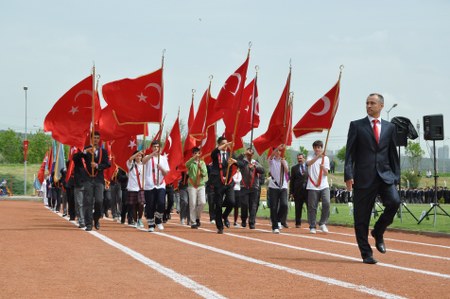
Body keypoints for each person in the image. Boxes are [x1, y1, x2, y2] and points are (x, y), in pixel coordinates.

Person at [344, 93, 400, 265]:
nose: (369, 106)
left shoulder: (390, 127)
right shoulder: (356, 126)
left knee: (394, 202)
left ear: (381, 106)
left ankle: (378, 231)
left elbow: (392, 153)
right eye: (367, 103)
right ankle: (366, 253)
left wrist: (396, 176)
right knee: (361, 217)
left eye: (372, 103)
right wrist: (348, 175)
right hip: (363, 177)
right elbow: (349, 154)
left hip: (385, 175)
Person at [73, 131, 110, 231]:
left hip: (99, 180)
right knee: (88, 202)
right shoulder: (86, 150)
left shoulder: (103, 151)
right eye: (94, 138)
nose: (96, 140)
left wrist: (98, 166)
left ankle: (96, 218)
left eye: (98, 138)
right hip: (88, 179)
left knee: (99, 201)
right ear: (91, 139)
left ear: (99, 139)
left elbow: (108, 164)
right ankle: (89, 224)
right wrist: (85, 152)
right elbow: (75, 158)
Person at [210, 136, 237, 234]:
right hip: (218, 182)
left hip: (229, 182)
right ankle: (220, 226)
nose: (226, 146)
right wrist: (226, 144)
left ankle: (225, 216)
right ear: (219, 144)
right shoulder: (216, 154)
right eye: (223, 144)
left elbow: (238, 164)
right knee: (218, 205)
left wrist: (234, 161)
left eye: (227, 143)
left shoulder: (230, 154)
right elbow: (214, 152)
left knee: (232, 202)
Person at [142, 140, 169, 232]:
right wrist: (151, 155)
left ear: (160, 148)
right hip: (150, 185)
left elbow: (166, 173)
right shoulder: (148, 157)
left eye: (157, 147)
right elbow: (143, 161)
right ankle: (150, 224)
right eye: (154, 147)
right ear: (152, 148)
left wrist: (161, 168)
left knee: (161, 203)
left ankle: (158, 219)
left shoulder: (163, 158)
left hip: (160, 184)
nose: (156, 148)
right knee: (150, 205)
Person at [236, 148, 265, 229]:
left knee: (253, 206)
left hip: (254, 187)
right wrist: (243, 153)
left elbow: (263, 170)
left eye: (251, 154)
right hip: (244, 187)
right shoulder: (243, 162)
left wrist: (255, 167)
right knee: (244, 204)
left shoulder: (255, 162)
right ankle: (244, 220)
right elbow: (237, 161)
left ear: (253, 155)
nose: (249, 155)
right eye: (248, 154)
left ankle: (252, 222)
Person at [306, 140, 331, 234]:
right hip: (312, 186)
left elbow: (326, 173)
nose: (317, 149)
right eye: (316, 147)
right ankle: (312, 226)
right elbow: (308, 164)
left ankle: (322, 223)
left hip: (324, 185)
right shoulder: (310, 156)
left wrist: (323, 168)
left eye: (319, 147)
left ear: (322, 148)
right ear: (313, 148)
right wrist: (317, 157)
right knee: (312, 207)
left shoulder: (326, 159)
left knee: (327, 203)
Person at [267, 144, 289, 234]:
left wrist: (284, 164)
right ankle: (275, 226)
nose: (277, 153)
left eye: (279, 151)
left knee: (284, 205)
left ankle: (279, 220)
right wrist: (276, 147)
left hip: (283, 186)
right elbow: (271, 156)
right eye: (276, 151)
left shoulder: (284, 161)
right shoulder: (271, 160)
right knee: (274, 207)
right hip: (273, 187)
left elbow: (287, 172)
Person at [185, 147, 208, 229]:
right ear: (192, 154)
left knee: (202, 202)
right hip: (192, 185)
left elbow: (205, 173)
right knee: (193, 203)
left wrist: (200, 167)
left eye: (198, 153)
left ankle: (197, 217)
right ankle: (193, 221)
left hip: (201, 185)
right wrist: (193, 158)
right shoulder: (191, 163)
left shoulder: (202, 163)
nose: (197, 155)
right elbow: (186, 164)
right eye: (195, 153)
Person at [126, 151, 145, 228]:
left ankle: (140, 219)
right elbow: (130, 159)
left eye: (140, 156)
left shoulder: (144, 165)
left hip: (141, 188)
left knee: (141, 204)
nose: (138, 157)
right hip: (133, 188)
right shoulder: (131, 165)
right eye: (137, 156)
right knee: (134, 206)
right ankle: (135, 220)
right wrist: (137, 153)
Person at [289, 153, 308, 228]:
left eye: (301, 158)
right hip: (298, 191)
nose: (299, 160)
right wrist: (291, 192)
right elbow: (292, 181)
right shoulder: (294, 168)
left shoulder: (309, 166)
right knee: (298, 208)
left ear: (304, 158)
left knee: (310, 207)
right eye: (298, 158)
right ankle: (298, 223)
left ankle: (311, 223)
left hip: (307, 191)